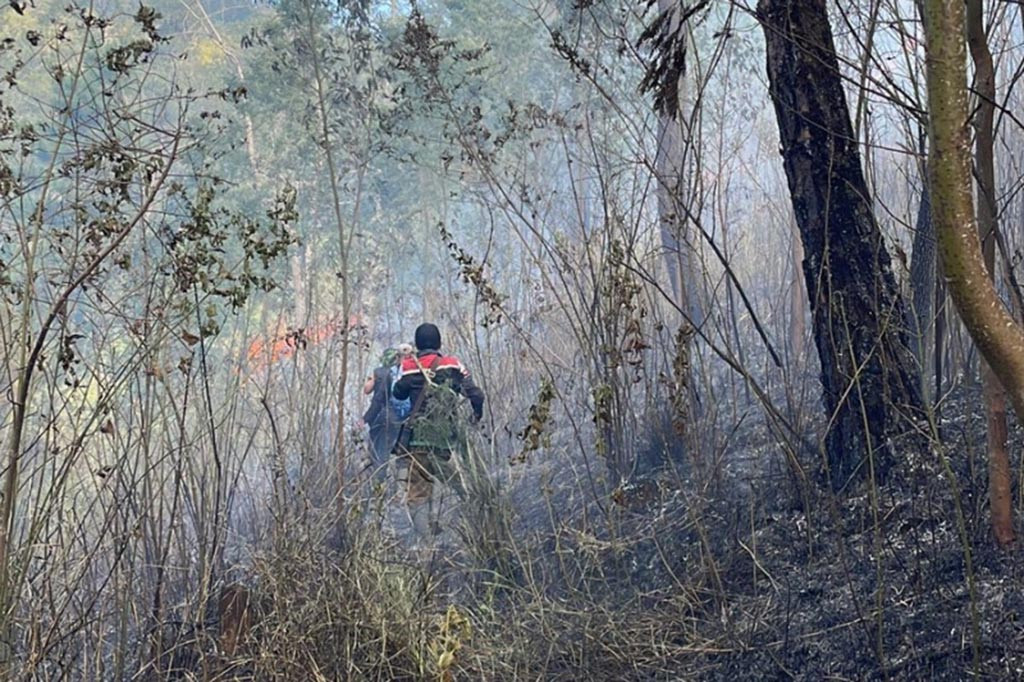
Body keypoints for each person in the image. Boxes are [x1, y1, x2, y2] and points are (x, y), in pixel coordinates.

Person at [393, 323, 485, 545]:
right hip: (447, 442)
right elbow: (476, 395)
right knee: (460, 486)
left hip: (417, 441)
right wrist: (475, 418)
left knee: (418, 493)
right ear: (439, 343)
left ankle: (427, 546)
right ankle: (474, 529)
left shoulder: (409, 366)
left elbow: (398, 393)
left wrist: (406, 367)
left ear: (417, 345)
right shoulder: (453, 365)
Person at [362, 344, 413, 480]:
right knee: (403, 456)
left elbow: (376, 397)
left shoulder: (384, 373)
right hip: (409, 419)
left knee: (380, 454)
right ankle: (402, 488)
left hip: (389, 418)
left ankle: (379, 485)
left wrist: (366, 419)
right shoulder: (415, 373)